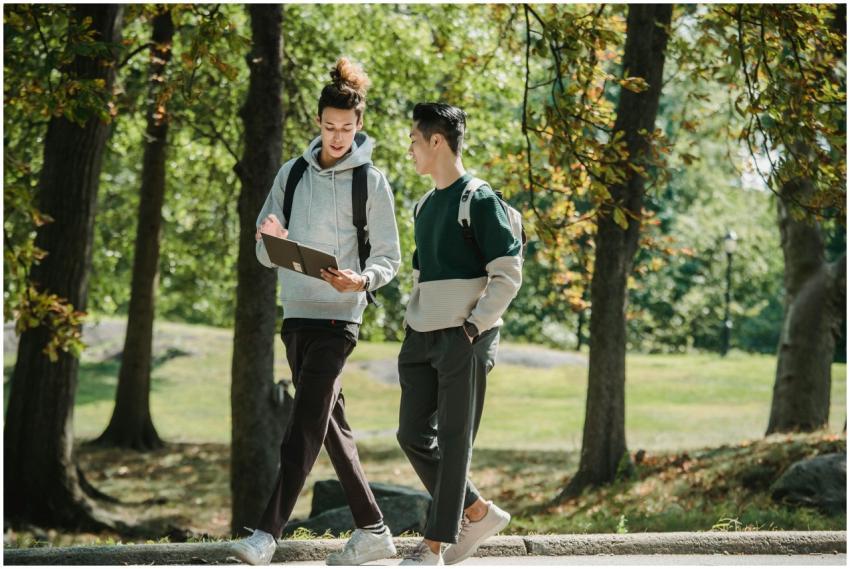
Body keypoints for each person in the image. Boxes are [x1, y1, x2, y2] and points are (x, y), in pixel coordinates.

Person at [230, 57, 401, 566]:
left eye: (347, 128)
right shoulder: (292, 173)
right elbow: (262, 247)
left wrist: (363, 279)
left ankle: (266, 533)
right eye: (330, 127)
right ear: (318, 122)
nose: (338, 137)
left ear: (359, 125)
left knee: (304, 422)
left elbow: (388, 257)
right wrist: (271, 240)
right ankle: (373, 529)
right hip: (297, 315)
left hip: (340, 318)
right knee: (328, 425)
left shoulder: (370, 182)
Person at [396, 103, 523, 565]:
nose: (410, 149)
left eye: (414, 140)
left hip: (464, 337)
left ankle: (435, 544)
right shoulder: (424, 205)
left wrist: (474, 326)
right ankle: (478, 511)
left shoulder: (478, 199)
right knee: (411, 433)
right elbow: (420, 274)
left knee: (453, 440)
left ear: (436, 141)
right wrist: (412, 324)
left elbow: (508, 274)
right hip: (421, 335)